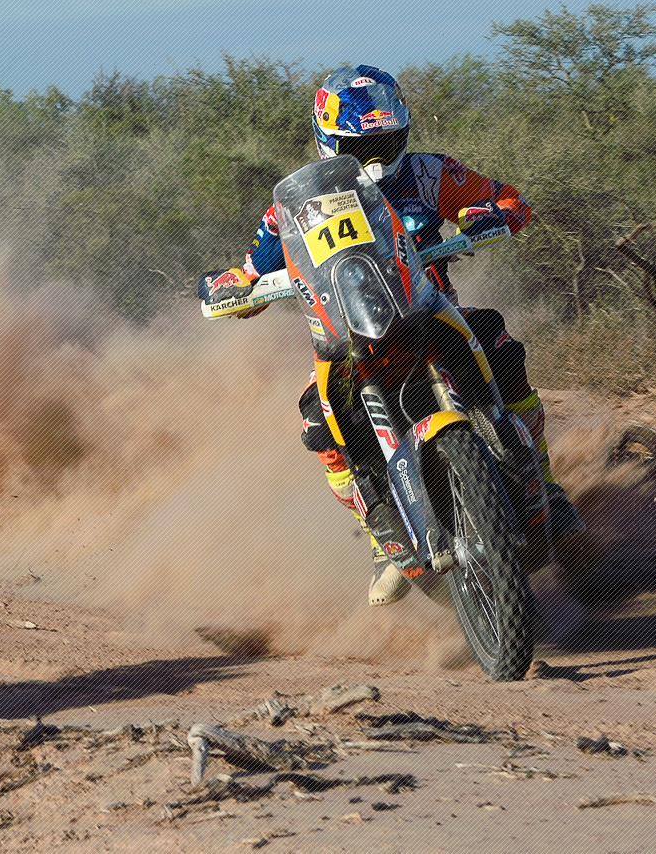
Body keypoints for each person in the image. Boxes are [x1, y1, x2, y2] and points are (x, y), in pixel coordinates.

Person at [203, 65, 584, 605]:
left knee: (499, 345)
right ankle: (381, 533)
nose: (376, 160)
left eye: (384, 143)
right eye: (361, 149)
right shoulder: (292, 210)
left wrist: (488, 213)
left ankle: (543, 482)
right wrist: (232, 288)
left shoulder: (429, 174)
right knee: (319, 424)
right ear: (330, 142)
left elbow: (503, 198)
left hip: (427, 310)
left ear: (403, 132)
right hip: (345, 336)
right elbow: (250, 272)